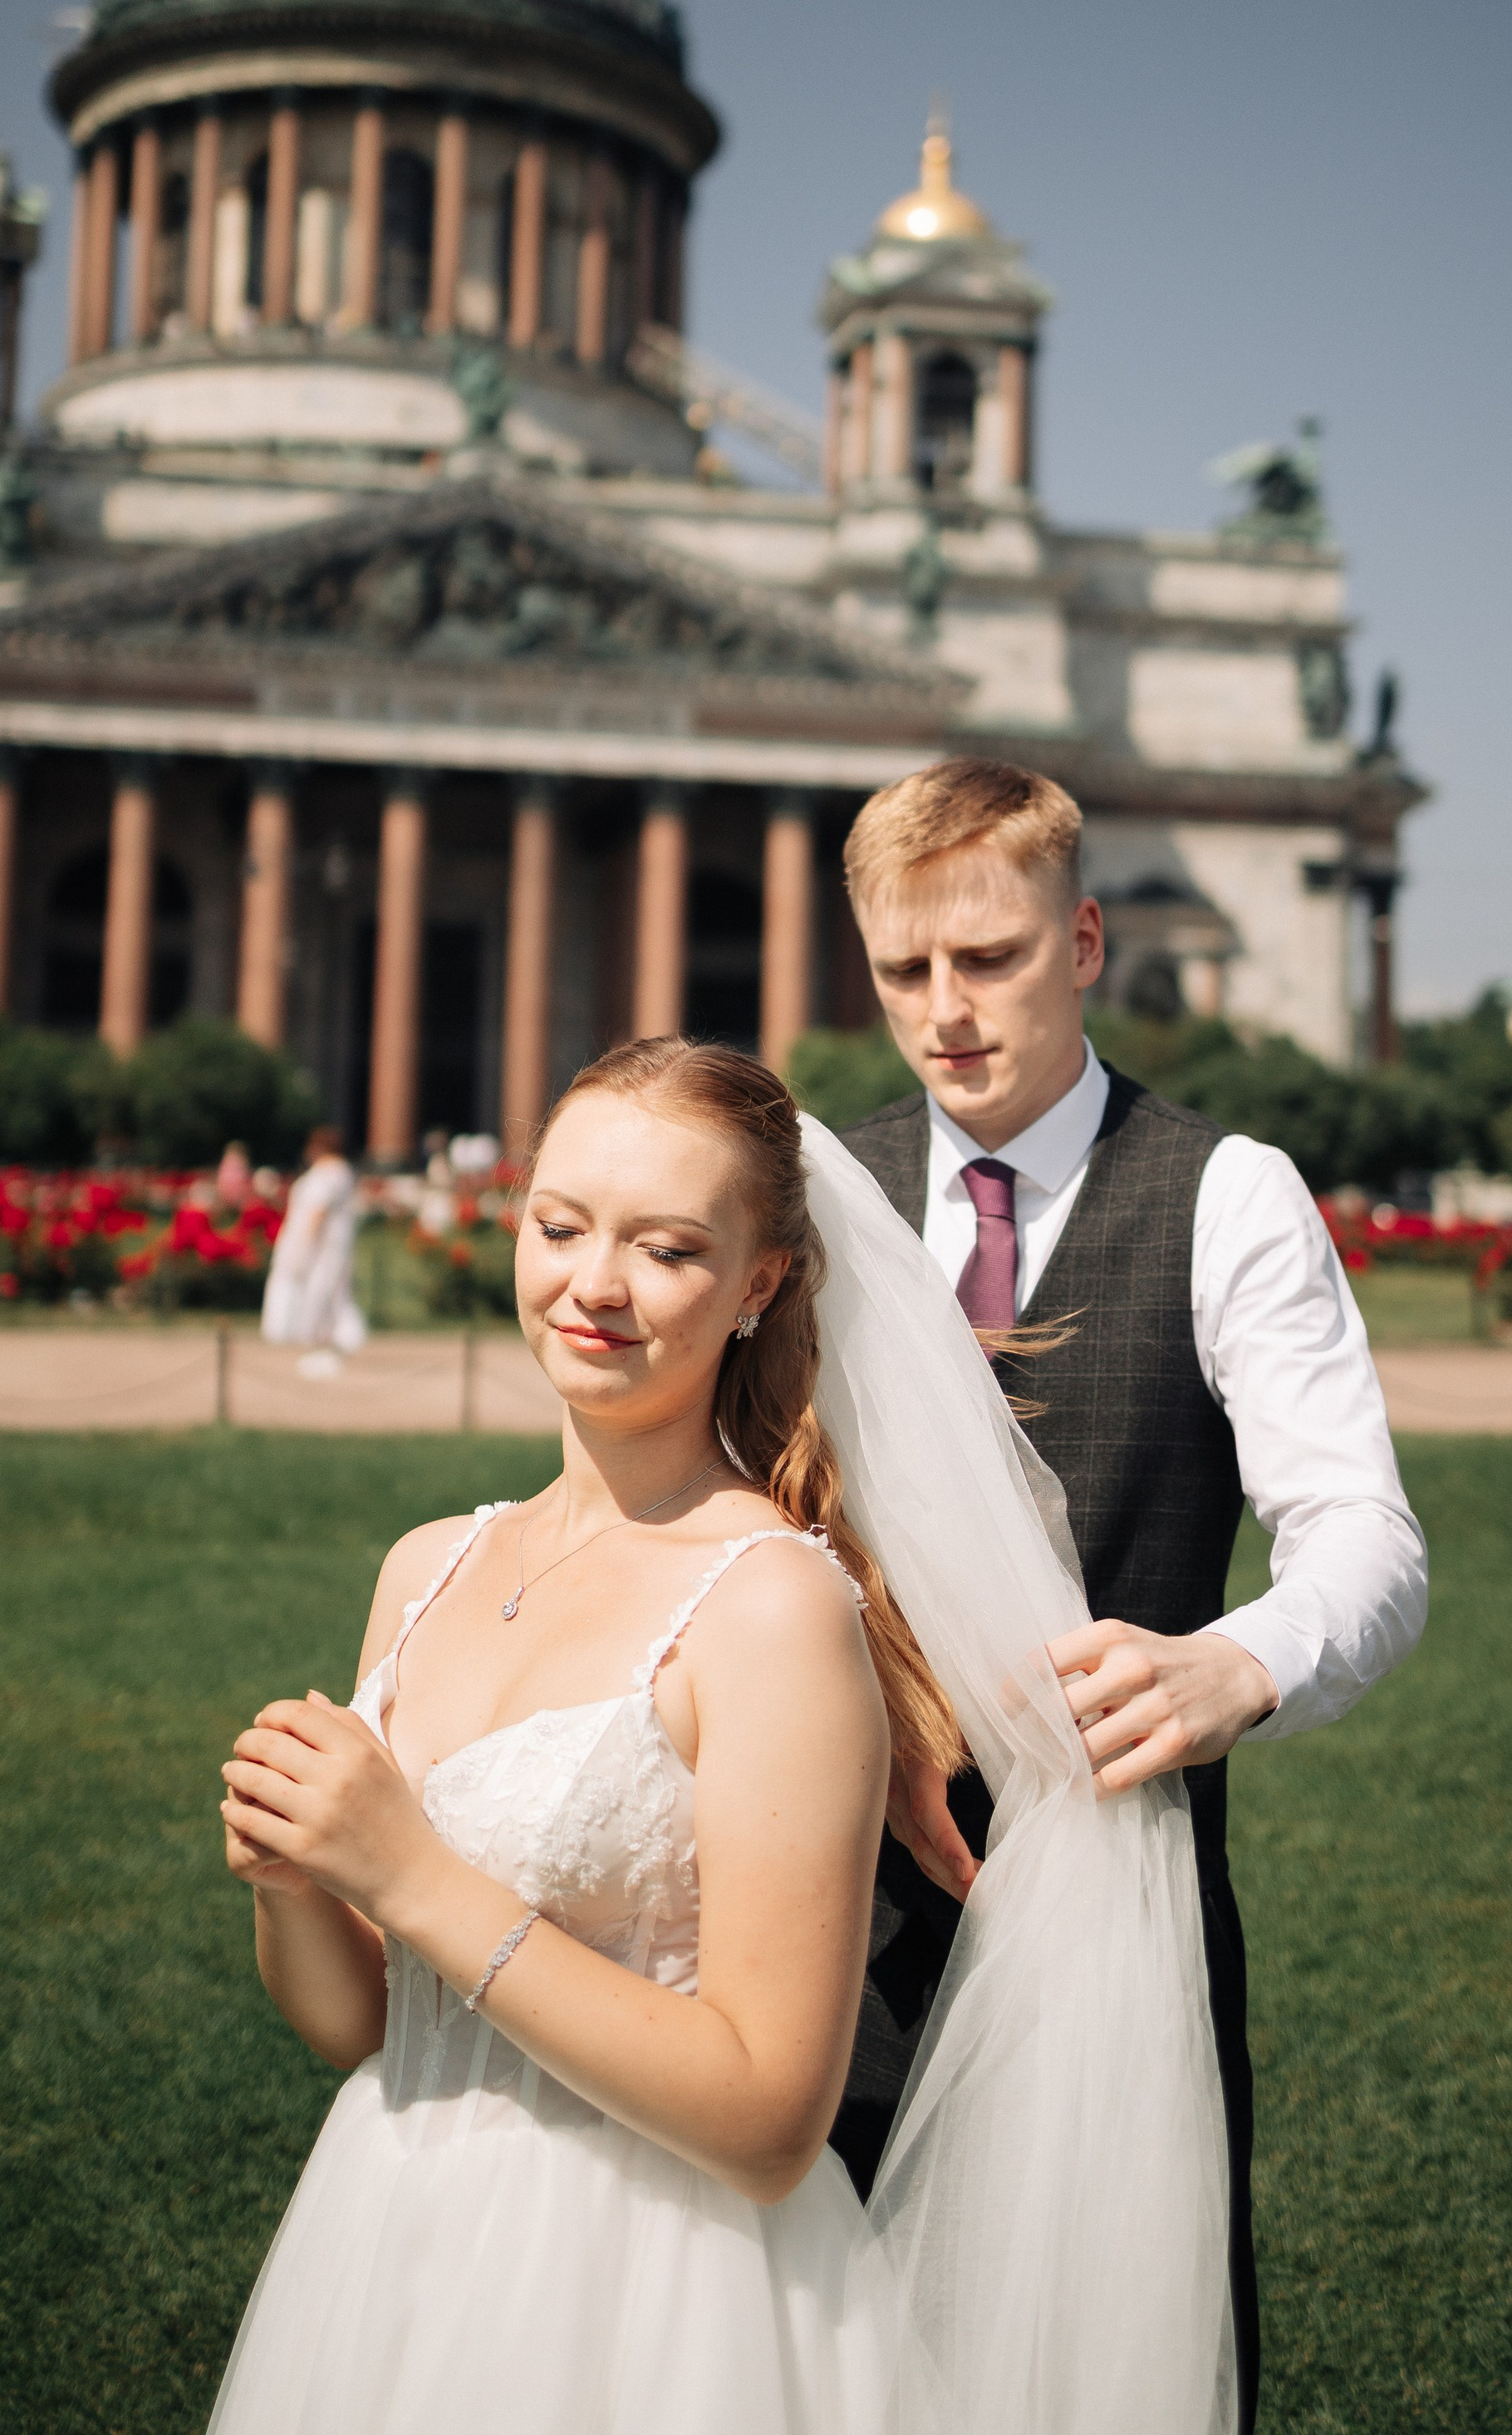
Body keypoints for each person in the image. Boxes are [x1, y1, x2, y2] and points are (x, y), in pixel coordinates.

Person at [213, 1043, 1233, 2433]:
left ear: (759, 1284)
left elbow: (767, 2120)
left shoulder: (769, 1609)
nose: (594, 1286)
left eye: (668, 1249)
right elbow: (368, 2026)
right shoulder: (426, 1567)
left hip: (647, 2294)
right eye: (560, 1226)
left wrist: (405, 1873)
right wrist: (295, 1881)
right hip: (392, 2250)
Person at [832, 758, 1429, 2431]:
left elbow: (1365, 1542)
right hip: (823, 1920)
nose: (944, 1015)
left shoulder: (1226, 1193)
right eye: (902, 972)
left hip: (1120, 1909)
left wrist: (1236, 1665)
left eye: (989, 959)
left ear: (1081, 939)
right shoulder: (817, 1195)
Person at [261, 1125, 368, 1377]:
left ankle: (323, 1347)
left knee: (320, 1294)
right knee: (331, 1295)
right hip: (328, 1245)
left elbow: (317, 1212)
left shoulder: (330, 1174)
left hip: (322, 1247)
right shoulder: (337, 1173)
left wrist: (303, 1245)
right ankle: (330, 1343)